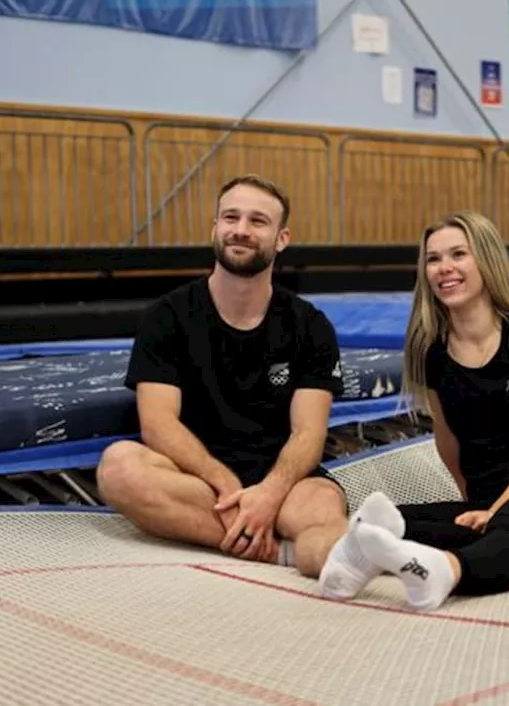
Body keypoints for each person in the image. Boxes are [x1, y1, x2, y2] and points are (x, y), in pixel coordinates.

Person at [317, 211, 509, 611]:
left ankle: (446, 571)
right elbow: (449, 444)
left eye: (458, 255)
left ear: (485, 260)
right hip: (488, 500)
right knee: (392, 521)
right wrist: (478, 505)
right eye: (433, 259)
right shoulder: (433, 355)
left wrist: (498, 509)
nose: (444, 268)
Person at [95, 173, 350, 579]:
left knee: (323, 514)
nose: (241, 231)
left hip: (283, 481)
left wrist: (268, 494)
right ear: (215, 228)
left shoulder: (310, 326)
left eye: (258, 221)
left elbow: (308, 435)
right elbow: (158, 424)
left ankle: (372, 557)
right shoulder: (168, 316)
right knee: (119, 468)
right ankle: (273, 551)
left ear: (281, 239)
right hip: (197, 478)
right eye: (231, 218)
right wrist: (230, 489)